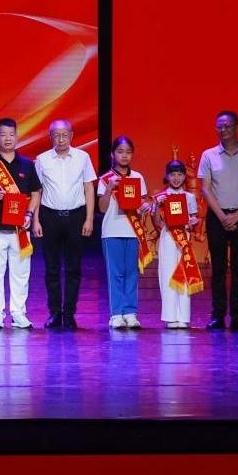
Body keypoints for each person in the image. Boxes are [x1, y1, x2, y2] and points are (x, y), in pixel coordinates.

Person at [0, 118, 43, 329]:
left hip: (20, 228)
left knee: (21, 273)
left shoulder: (27, 165)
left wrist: (30, 215)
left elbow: (36, 192)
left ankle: (18, 313)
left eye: (11, 134)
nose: (7, 139)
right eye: (3, 134)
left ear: (17, 136)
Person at [198, 110, 238, 331]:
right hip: (217, 218)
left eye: (227, 126)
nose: (223, 130)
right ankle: (217, 316)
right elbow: (206, 189)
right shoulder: (208, 155)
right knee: (217, 268)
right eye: (219, 126)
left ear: (237, 127)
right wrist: (223, 216)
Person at [33, 119, 95, 329]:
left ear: (71, 135)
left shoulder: (82, 157)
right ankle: (54, 313)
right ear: (50, 137)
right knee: (51, 268)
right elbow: (37, 191)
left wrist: (89, 218)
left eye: (64, 135)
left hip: (76, 216)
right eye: (56, 135)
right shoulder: (42, 159)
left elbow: (88, 188)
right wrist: (36, 220)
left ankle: (69, 313)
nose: (61, 139)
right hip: (49, 216)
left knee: (73, 268)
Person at [97, 135, 151, 330]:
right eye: (120, 152)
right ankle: (116, 314)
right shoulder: (105, 179)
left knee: (132, 273)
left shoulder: (138, 177)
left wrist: (145, 206)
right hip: (112, 231)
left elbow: (143, 203)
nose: (124, 155)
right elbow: (102, 208)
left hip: (132, 232)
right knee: (115, 274)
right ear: (113, 154)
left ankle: (130, 312)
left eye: (128, 152)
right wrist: (110, 188)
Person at [154, 159, 203, 329]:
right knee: (168, 275)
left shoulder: (190, 197)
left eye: (180, 174)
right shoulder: (161, 197)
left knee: (184, 273)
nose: (176, 178)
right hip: (168, 237)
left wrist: (193, 222)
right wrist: (158, 207)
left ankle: (183, 316)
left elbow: (194, 219)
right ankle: (170, 316)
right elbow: (157, 223)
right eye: (172, 174)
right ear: (167, 176)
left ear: (184, 177)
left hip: (183, 238)